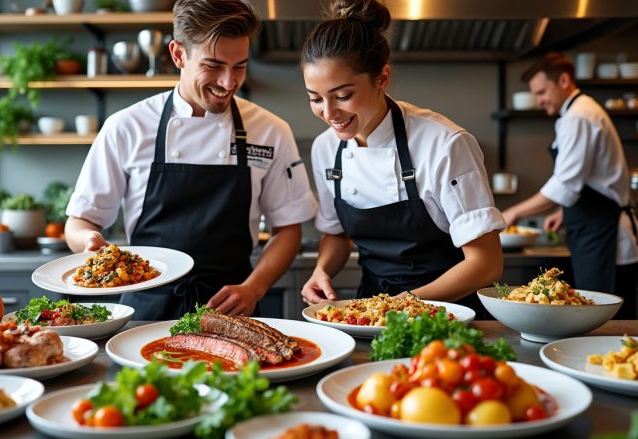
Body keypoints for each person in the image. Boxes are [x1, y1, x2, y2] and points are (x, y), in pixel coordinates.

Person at [65, 0, 317, 320]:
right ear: (178, 54)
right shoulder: (125, 127)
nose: (228, 82)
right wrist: (89, 242)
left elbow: (288, 229)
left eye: (239, 66)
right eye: (213, 65)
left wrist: (254, 288)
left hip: (231, 312)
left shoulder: (270, 130)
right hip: (144, 312)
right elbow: (79, 222)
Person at [299, 0, 505, 312]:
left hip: (447, 314)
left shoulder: (444, 143)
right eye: (315, 99)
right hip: (371, 310)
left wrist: (407, 304)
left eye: (343, 96)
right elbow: (336, 235)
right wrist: (322, 270)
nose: (329, 114)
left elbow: (486, 264)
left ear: (382, 78)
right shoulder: (326, 149)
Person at [501, 52, 638, 319]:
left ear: (564, 80)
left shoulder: (580, 117)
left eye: (542, 91)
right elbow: (588, 181)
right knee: (594, 315)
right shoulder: (576, 114)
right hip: (594, 230)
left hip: (607, 235)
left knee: (605, 320)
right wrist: (564, 213)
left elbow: (565, 184)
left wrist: (513, 213)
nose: (540, 100)